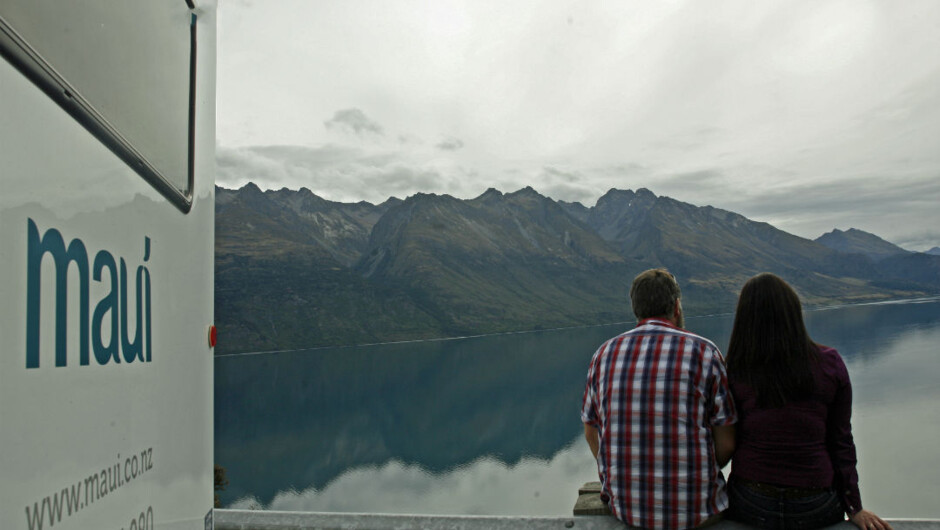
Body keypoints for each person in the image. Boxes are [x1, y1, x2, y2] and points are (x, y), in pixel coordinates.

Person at [724, 273, 891, 530]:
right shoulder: (829, 363)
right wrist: (854, 507)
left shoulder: (734, 369)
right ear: (793, 312)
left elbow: (725, 439)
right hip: (815, 502)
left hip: (750, 501)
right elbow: (841, 441)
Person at [581, 268, 737, 529]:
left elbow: (590, 431)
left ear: (636, 309)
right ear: (676, 306)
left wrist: (614, 474)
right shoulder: (704, 352)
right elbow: (727, 442)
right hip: (697, 511)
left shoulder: (603, 354)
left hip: (628, 510)